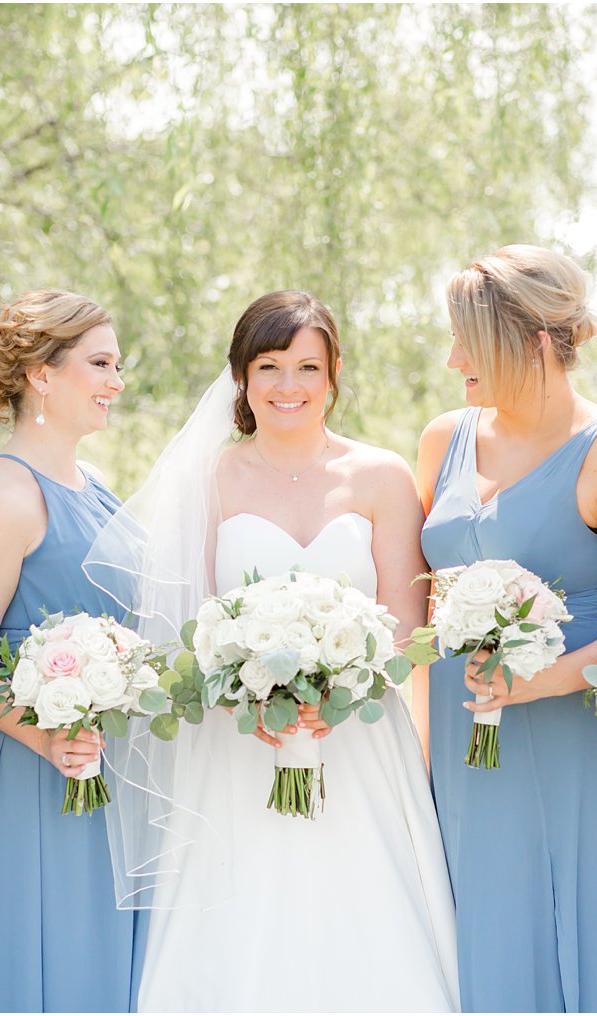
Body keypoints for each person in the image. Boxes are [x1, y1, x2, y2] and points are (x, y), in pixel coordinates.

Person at [97, 291, 459, 1011]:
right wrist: (249, 693)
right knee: (244, 928)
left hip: (358, 740)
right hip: (238, 742)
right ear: (241, 377)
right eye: (269, 366)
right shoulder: (210, 479)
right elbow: (190, 628)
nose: (288, 386)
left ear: (333, 375)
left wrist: (339, 694)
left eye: (306, 367)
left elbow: (407, 630)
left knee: (363, 920)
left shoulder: (381, 476)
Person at [417, 245, 597, 1012]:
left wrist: (548, 678)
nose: (454, 355)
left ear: (532, 341)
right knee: (484, 935)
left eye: (469, 338)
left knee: (592, 937)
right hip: (466, 747)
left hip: (582, 748)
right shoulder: (444, 439)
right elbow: (424, 604)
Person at [0, 290, 140, 1011]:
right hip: (43, 769)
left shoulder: (94, 487)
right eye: (99, 363)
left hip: (109, 764)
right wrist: (47, 738)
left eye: (117, 364)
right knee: (53, 961)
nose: (115, 382)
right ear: (42, 375)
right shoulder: (11, 494)